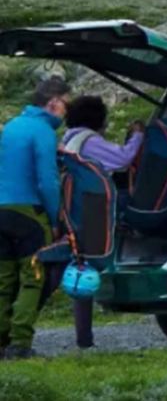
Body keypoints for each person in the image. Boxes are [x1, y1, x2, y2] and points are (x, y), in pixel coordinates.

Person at [62, 96, 145, 350]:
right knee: (86, 266)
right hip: (90, 208)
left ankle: (84, 339)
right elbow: (122, 159)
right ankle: (84, 339)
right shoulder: (89, 140)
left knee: (77, 264)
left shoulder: (69, 139)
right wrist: (138, 136)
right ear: (98, 119)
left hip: (70, 206)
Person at [0, 75, 70, 360]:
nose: (67, 110)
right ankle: (20, 344)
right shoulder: (43, 130)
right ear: (53, 103)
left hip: (1, 210)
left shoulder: (13, 126)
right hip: (29, 212)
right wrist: (55, 220)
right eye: (66, 104)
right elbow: (47, 181)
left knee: (3, 279)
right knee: (33, 277)